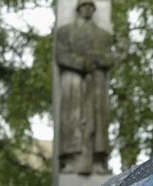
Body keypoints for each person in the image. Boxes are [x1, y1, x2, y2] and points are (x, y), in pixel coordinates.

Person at [55, 0, 114, 175]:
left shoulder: (103, 35)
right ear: (78, 8)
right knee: (72, 118)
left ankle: (98, 159)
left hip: (97, 81)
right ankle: (71, 159)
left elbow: (110, 58)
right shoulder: (65, 32)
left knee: (98, 119)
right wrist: (81, 63)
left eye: (91, 6)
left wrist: (98, 60)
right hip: (73, 80)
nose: (88, 9)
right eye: (84, 6)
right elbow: (61, 55)